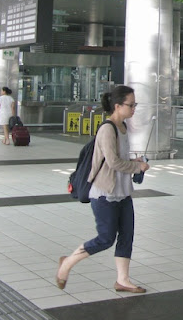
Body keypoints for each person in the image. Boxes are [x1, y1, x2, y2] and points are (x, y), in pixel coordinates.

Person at [56, 86, 150, 294]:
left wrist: (134, 161)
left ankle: (123, 280)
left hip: (123, 191)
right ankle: (67, 263)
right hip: (104, 193)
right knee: (106, 238)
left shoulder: (123, 127)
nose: (134, 108)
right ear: (117, 106)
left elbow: (120, 158)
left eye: (135, 104)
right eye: (131, 104)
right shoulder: (108, 129)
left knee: (126, 236)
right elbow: (113, 162)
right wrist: (137, 167)